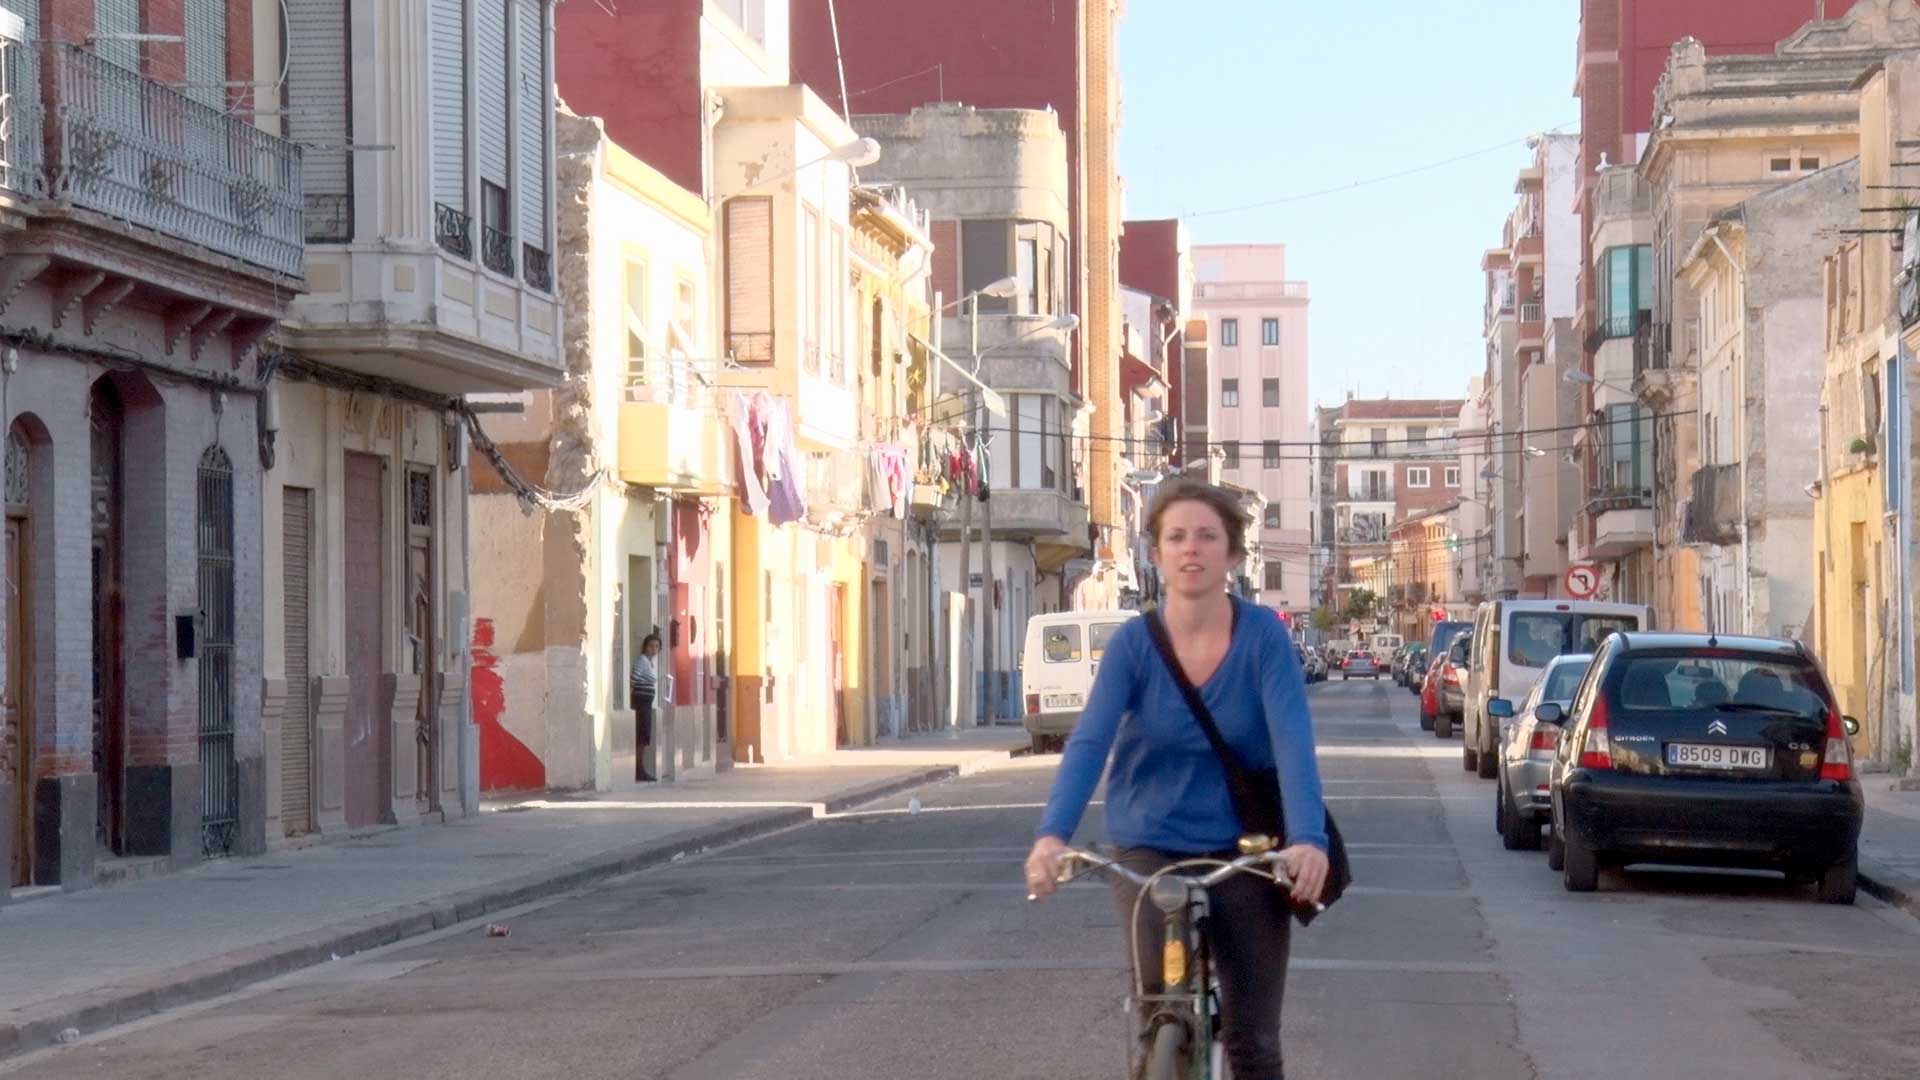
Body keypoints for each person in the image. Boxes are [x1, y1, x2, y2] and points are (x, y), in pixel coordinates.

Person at [1024, 479, 1329, 1080]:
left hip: (1244, 850)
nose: (1191, 548)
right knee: (1157, 1014)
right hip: (1149, 843)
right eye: (1177, 536)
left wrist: (1308, 840)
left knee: (1252, 1039)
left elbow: (1293, 744)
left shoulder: (1264, 637)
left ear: (1233, 554)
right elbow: (1090, 742)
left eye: (1207, 536)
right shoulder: (1134, 646)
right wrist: (1052, 835)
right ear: (1157, 553)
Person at [631, 632, 662, 782]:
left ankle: (641, 769)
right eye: (651, 646)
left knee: (644, 737)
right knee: (641, 737)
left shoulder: (650, 663)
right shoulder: (642, 661)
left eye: (656, 646)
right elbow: (633, 679)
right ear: (645, 647)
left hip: (646, 703)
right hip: (641, 702)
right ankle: (639, 770)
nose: (654, 649)